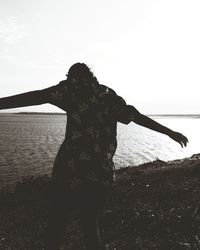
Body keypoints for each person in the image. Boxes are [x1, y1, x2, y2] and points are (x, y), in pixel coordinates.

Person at [0, 63, 188, 249]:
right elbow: (135, 115)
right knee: (90, 226)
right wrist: (169, 132)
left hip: (69, 171)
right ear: (91, 76)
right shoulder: (108, 96)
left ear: (70, 77)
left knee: (57, 224)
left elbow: (36, 96)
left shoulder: (70, 90)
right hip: (99, 173)